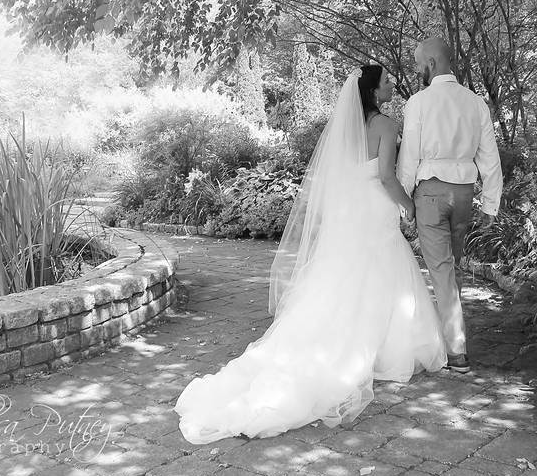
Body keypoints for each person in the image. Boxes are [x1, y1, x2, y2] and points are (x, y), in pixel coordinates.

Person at [175, 64, 446, 445]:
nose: (392, 86)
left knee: (345, 277)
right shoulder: (385, 125)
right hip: (375, 207)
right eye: (385, 82)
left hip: (350, 211)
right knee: (381, 271)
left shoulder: (347, 130)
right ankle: (384, 348)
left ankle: (351, 339)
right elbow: (386, 177)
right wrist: (409, 206)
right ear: (372, 92)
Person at [397, 37, 503, 374]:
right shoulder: (475, 103)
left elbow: (409, 155)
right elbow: (490, 159)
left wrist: (404, 204)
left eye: (418, 65)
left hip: (429, 193)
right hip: (463, 195)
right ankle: (451, 336)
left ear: (431, 63)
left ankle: (457, 351)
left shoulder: (418, 102)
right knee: (452, 267)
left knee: (441, 272)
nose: (418, 72)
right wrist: (489, 206)